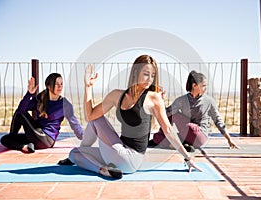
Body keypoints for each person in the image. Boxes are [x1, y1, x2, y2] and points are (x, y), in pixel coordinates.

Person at [64, 55, 202, 179]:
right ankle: (102, 170)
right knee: (74, 153)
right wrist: (88, 87)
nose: (150, 79)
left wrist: (187, 157)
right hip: (118, 151)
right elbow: (90, 115)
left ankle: (92, 161)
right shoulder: (116, 95)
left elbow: (168, 130)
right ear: (136, 73)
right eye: (146, 74)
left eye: (153, 75)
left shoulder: (153, 98)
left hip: (130, 159)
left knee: (97, 120)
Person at [148, 70, 239, 152]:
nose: (206, 88)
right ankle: (181, 145)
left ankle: (173, 142)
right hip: (186, 135)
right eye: (203, 85)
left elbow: (218, 120)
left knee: (181, 120)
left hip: (199, 136)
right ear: (194, 85)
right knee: (158, 137)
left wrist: (229, 140)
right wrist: (161, 100)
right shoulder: (182, 100)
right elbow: (166, 113)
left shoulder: (209, 101)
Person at [0, 73, 83, 153]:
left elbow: (74, 123)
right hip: (36, 133)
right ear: (48, 85)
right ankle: (25, 146)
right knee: (5, 139)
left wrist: (85, 138)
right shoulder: (40, 99)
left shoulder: (65, 104)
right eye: (57, 84)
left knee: (20, 114)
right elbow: (21, 109)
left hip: (47, 139)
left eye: (61, 84)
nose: (60, 86)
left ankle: (17, 141)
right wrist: (29, 94)